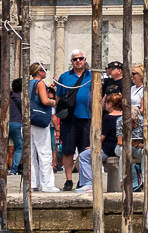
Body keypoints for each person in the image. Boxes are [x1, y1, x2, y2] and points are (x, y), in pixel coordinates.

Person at [56, 49, 93, 191]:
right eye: (75, 59)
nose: (78, 61)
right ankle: (69, 179)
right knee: (68, 150)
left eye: (80, 58)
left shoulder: (91, 76)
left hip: (86, 117)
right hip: (69, 118)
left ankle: (84, 179)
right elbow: (59, 98)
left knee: (84, 151)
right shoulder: (64, 77)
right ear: (71, 62)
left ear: (85, 60)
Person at [7, 78, 24, 176]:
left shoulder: (7, 99)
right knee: (19, 147)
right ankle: (14, 169)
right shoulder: (20, 100)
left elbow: (0, 112)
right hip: (17, 123)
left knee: (5, 147)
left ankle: (3, 167)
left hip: (7, 123)